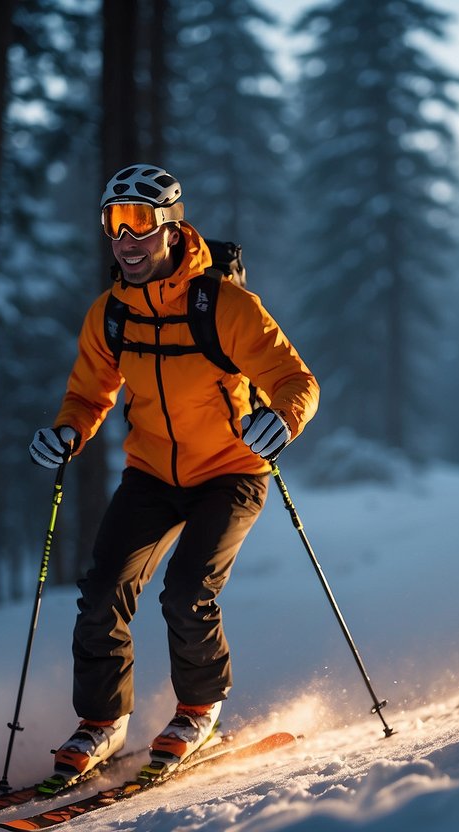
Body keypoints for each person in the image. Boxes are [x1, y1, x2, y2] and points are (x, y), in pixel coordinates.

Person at [28, 163, 319, 780]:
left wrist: (283, 420)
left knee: (188, 590)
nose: (125, 240)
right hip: (152, 473)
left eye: (138, 223)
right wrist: (67, 432)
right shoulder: (109, 314)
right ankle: (103, 723)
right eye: (113, 224)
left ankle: (198, 708)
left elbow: (296, 381)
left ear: (170, 226)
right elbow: (88, 395)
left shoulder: (226, 306)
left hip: (232, 471)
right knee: (103, 591)